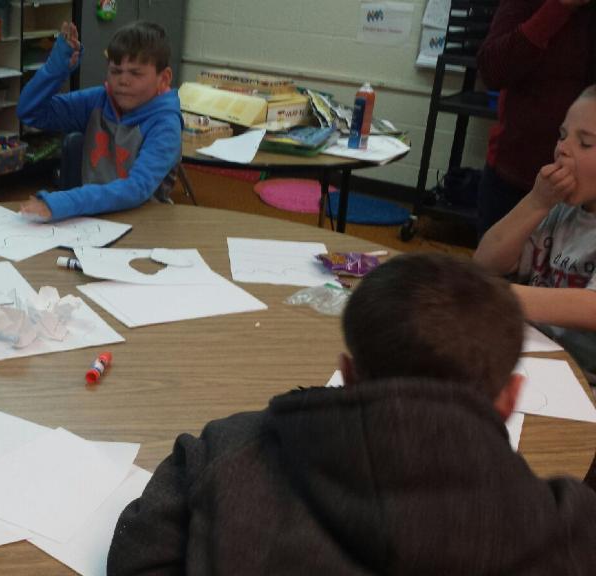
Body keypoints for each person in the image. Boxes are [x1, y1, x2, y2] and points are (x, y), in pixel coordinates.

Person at [107, 253, 596, 575]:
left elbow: (135, 557)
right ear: (511, 397)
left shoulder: (226, 449)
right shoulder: (565, 525)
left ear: (348, 372)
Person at [474, 85, 596, 384]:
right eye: (563, 135)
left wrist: (497, 296)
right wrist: (536, 202)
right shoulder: (561, 210)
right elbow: (486, 261)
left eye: (585, 143)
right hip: (534, 359)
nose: (563, 148)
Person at [17, 21, 182, 222]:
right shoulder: (98, 101)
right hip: (94, 222)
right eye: (115, 71)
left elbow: (135, 188)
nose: (123, 80)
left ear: (164, 79)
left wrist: (62, 202)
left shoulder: (166, 124)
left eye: (135, 73)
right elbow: (30, 112)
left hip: (145, 226)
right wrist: (57, 66)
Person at [476, 0, 593, 236]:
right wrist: (560, 7)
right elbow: (492, 69)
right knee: (492, 269)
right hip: (516, 175)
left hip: (587, 192)